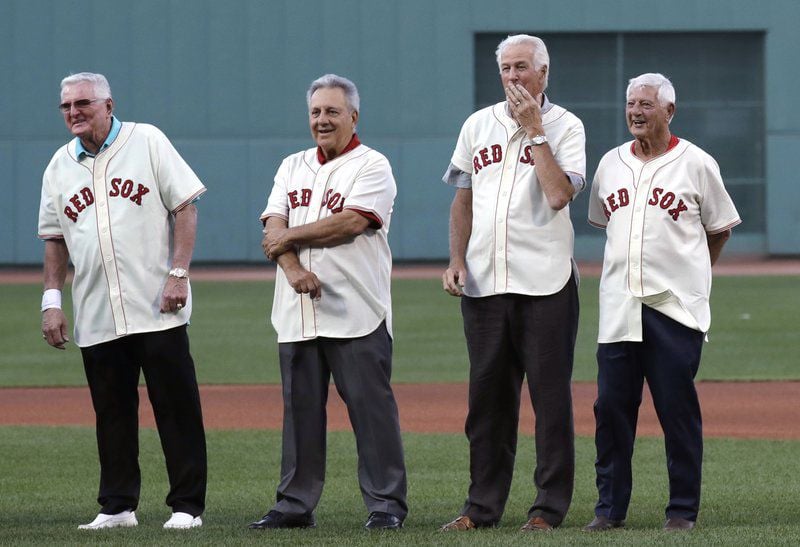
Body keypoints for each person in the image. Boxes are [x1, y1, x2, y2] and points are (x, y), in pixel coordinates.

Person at [38, 72, 208, 530]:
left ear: (109, 104)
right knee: (111, 413)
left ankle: (187, 507)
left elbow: (186, 206)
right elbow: (55, 238)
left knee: (176, 410)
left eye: (84, 104)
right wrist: (51, 300)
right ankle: (117, 506)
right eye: (67, 106)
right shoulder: (58, 165)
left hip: (157, 305)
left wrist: (179, 273)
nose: (74, 112)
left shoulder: (146, 140)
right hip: (96, 311)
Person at [249, 74, 408, 532]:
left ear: (353, 116)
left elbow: (352, 222)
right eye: (316, 112)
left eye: (332, 111)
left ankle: (386, 505)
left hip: (358, 311)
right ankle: (294, 504)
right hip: (296, 313)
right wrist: (294, 270)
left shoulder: (372, 165)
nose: (322, 120)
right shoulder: (291, 165)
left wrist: (288, 236)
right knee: (299, 414)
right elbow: (271, 228)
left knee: (371, 414)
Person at [440, 34, 586, 532]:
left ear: (544, 73)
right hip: (484, 284)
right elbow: (463, 197)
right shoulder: (477, 124)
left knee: (550, 401)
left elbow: (559, 195)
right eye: (505, 68)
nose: (512, 77)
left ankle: (547, 508)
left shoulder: (567, 125)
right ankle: (480, 508)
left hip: (545, 282)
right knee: (486, 403)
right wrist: (456, 258)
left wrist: (535, 132)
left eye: (522, 67)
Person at [585, 73, 741, 532]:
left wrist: (694, 279)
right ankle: (609, 510)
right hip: (618, 309)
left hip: (674, 309)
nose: (636, 111)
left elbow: (721, 228)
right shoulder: (610, 163)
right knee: (611, 410)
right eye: (631, 103)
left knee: (677, 411)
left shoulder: (697, 163)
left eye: (646, 105)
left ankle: (682, 511)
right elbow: (604, 222)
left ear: (669, 111)